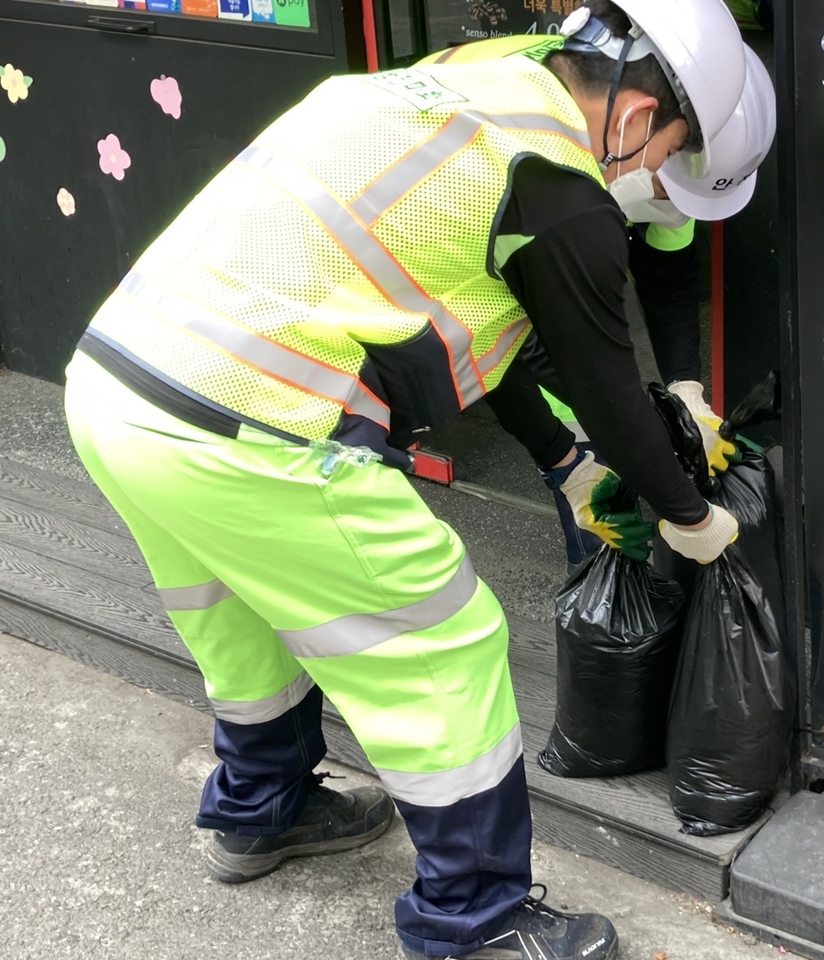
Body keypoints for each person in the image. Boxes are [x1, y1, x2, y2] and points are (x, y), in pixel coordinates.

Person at [61, 2, 748, 958]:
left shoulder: (477, 84)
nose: (652, 175)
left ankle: (261, 811)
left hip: (117, 387)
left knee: (240, 618)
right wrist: (690, 515)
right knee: (443, 642)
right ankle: (475, 922)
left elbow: (488, 342)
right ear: (637, 110)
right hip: (255, 423)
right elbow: (606, 387)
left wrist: (566, 465)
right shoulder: (563, 187)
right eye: (666, 150)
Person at [422, 28, 778, 566]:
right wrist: (568, 456)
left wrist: (685, 394)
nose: (659, 182)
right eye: (666, 163)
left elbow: (669, 278)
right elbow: (488, 338)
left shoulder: (594, 113)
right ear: (637, 118)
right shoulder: (546, 180)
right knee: (598, 548)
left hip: (322, 382)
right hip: (307, 400)